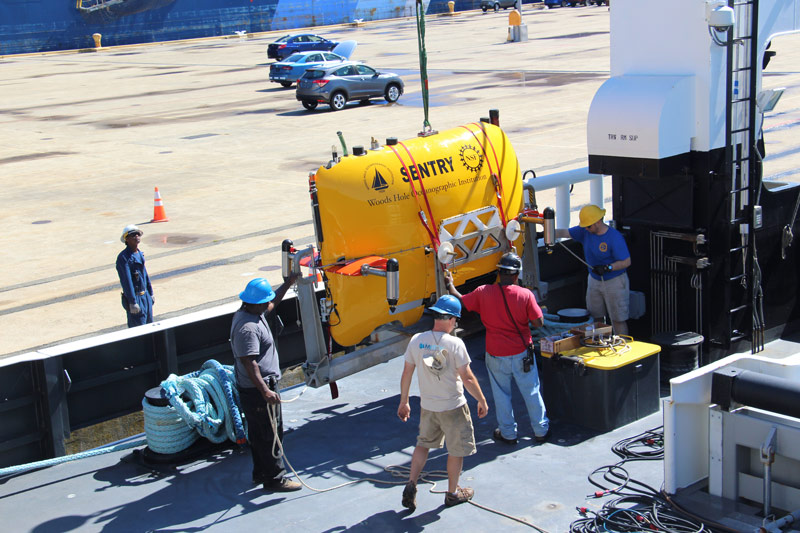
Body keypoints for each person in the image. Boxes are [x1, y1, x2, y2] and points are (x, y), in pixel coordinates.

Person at [444, 252, 550, 446]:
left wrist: (450, 284)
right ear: (517, 275)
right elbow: (538, 323)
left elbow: (461, 300)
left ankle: (508, 433)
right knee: (531, 391)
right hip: (521, 353)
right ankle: (541, 430)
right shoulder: (525, 295)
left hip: (495, 353)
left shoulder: (483, 292)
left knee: (501, 394)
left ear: (499, 272)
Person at [398, 295, 488, 511]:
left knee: (423, 444)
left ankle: (411, 483)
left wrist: (404, 402)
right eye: (455, 320)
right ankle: (452, 493)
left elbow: (407, 373)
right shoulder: (455, 343)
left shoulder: (416, 340)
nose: (455, 324)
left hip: (428, 406)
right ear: (450, 319)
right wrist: (481, 399)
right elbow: (467, 377)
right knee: (455, 451)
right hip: (453, 407)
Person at [231, 275, 301, 492]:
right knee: (271, 434)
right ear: (256, 303)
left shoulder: (252, 313)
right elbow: (249, 363)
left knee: (260, 433)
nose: (267, 304)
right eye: (264, 301)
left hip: (257, 389)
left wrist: (289, 283)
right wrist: (265, 391)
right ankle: (275, 479)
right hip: (258, 390)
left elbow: (272, 303)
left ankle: (261, 472)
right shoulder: (247, 328)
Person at [555, 204, 631, 335]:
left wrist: (608, 268)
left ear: (597, 222)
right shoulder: (585, 231)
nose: (586, 229)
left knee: (618, 320)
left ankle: (622, 344)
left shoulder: (614, 237)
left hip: (614, 282)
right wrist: (545, 233)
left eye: (588, 226)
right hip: (594, 281)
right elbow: (565, 232)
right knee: (596, 317)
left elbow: (626, 261)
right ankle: (600, 344)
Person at [116, 224, 154, 328]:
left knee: (150, 327)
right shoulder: (124, 258)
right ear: (126, 239)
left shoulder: (139, 254)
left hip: (145, 296)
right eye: (133, 235)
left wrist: (150, 293)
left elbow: (145, 275)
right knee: (139, 329)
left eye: (138, 234)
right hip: (136, 298)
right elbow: (127, 282)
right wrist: (132, 302)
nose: (136, 236)